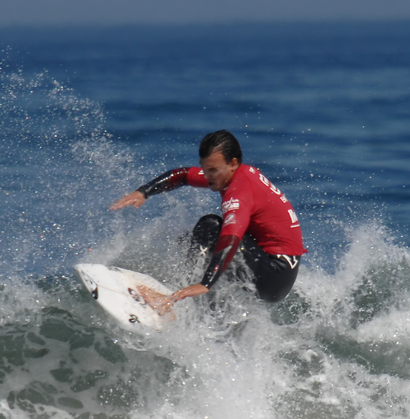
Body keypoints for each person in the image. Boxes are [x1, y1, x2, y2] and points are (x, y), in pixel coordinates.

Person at [110, 130, 305, 311]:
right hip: (275, 267)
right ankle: (213, 309)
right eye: (204, 169)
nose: (207, 176)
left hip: (274, 276)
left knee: (210, 227)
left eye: (212, 170)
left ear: (233, 163)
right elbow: (183, 175)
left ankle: (178, 302)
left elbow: (231, 238)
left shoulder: (239, 192)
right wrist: (144, 191)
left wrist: (206, 283)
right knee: (188, 240)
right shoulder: (231, 174)